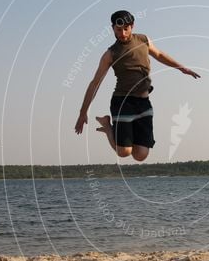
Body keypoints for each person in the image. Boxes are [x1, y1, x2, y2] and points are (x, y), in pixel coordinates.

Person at [75, 10, 200, 162]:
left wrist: (181, 68)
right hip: (123, 101)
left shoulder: (143, 40)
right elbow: (95, 83)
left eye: (125, 29)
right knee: (124, 152)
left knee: (140, 155)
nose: (122, 33)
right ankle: (108, 126)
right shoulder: (110, 54)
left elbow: (159, 54)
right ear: (112, 28)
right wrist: (83, 112)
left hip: (143, 102)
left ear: (132, 26)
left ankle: (122, 132)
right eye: (118, 29)